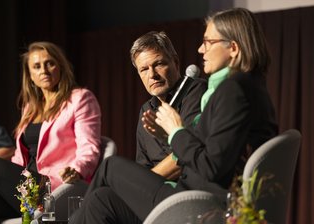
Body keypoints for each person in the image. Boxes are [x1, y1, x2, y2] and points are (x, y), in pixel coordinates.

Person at [68, 8, 278, 224]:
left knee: (109, 167)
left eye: (207, 42)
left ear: (232, 48)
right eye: (144, 69)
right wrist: (171, 134)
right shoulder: (244, 86)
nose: (200, 49)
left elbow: (210, 167)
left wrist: (175, 132)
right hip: (188, 194)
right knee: (101, 201)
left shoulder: (232, 90)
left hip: (196, 202)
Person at [0, 41, 101, 223]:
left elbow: (89, 147)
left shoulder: (80, 98)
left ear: (60, 66)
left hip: (54, 188)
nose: (44, 70)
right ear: (31, 76)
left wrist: (77, 170)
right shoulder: (30, 108)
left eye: (49, 63)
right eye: (36, 66)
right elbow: (20, 159)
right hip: (26, 188)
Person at [131, 31, 207, 180]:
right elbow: (143, 165)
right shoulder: (146, 110)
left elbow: (187, 155)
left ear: (176, 63)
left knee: (110, 168)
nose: (152, 75)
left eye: (158, 64)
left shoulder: (195, 91)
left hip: (185, 185)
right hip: (154, 190)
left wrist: (145, 182)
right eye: (144, 69)